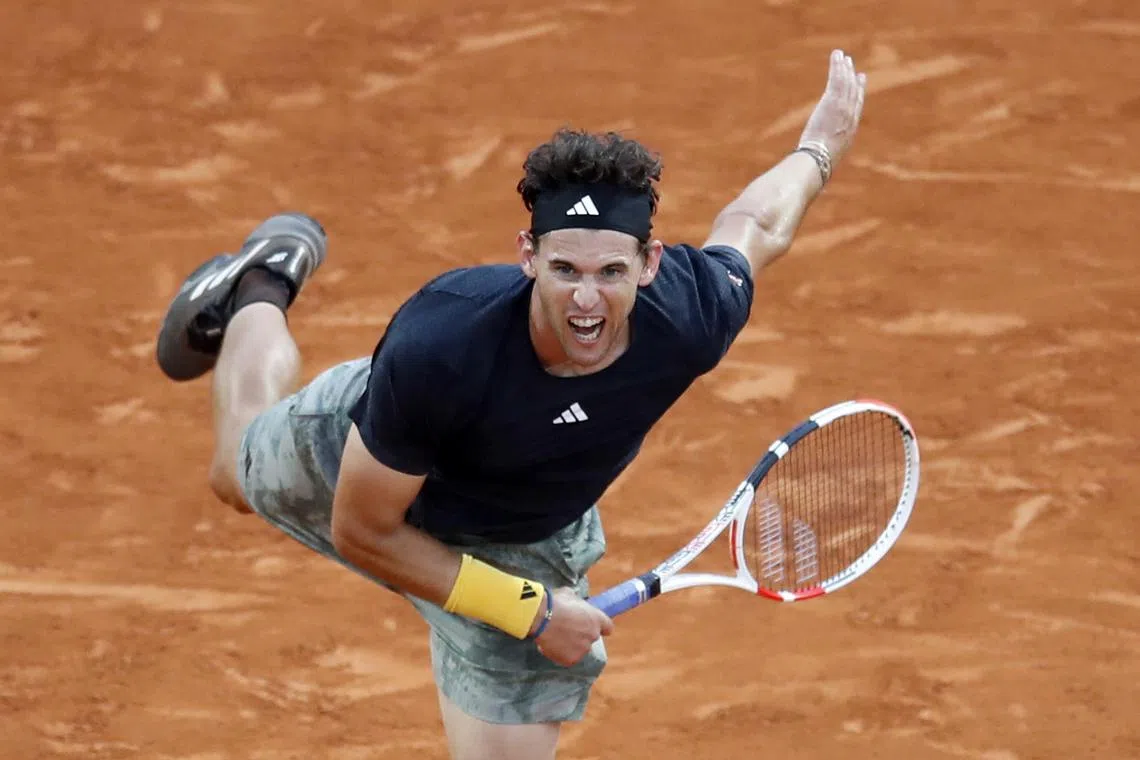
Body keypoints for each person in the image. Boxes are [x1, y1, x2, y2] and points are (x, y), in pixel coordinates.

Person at [155, 49, 867, 760]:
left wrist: (820, 147)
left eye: (612, 272)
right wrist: (527, 612)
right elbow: (365, 530)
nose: (586, 300)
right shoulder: (441, 344)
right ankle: (260, 287)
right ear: (527, 255)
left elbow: (757, 226)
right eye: (564, 270)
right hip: (377, 461)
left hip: (526, 541)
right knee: (231, 470)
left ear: (651, 266)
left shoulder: (691, 316)